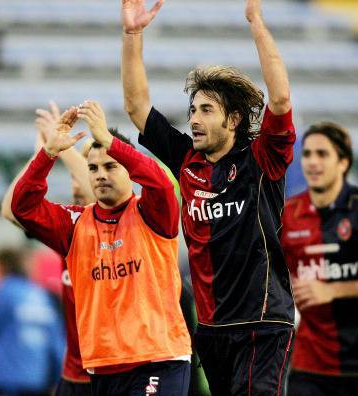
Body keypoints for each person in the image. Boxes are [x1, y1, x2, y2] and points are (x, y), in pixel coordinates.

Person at [121, 0, 296, 393]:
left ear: (232, 119)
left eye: (206, 110)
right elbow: (136, 107)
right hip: (212, 328)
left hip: (262, 323)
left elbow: (281, 101)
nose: (194, 119)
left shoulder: (261, 158)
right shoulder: (186, 160)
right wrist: (133, 36)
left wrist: (256, 24)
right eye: (192, 109)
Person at [11, 101, 192, 395]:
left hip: (158, 360)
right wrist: (48, 154)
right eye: (92, 168)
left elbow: (160, 183)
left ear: (129, 170)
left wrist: (110, 142)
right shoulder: (74, 223)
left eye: (110, 165)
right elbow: (22, 207)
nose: (99, 174)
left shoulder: (152, 212)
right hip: (103, 366)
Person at [280, 122, 358, 396]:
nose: (312, 162)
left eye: (322, 154)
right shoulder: (288, 215)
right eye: (307, 154)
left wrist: (332, 289)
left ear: (343, 162)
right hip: (310, 364)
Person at [1, 101, 94, 396]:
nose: (77, 185)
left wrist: (62, 147)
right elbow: (10, 210)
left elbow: (95, 197)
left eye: (93, 169)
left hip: (108, 371)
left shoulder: (116, 221)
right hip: (73, 373)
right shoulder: (66, 229)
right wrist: (42, 151)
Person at [0, 247, 64, 396]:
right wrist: (58, 380)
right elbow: (56, 343)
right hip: (39, 379)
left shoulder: (4, 291)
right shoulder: (42, 296)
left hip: (9, 379)